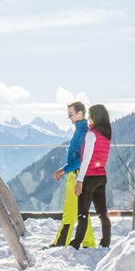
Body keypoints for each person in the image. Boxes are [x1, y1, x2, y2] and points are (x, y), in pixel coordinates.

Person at [51, 101, 96, 248]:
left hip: (77, 175)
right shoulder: (81, 130)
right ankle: (89, 243)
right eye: (68, 114)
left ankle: (61, 243)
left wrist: (64, 169)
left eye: (71, 114)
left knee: (69, 211)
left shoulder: (83, 132)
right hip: (76, 174)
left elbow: (83, 159)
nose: (69, 117)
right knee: (80, 211)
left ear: (80, 114)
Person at [71, 103, 113, 249]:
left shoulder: (91, 135)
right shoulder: (107, 134)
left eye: (90, 114)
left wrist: (79, 180)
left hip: (89, 178)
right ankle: (106, 242)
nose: (88, 117)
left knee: (83, 213)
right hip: (101, 177)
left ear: (95, 116)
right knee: (102, 212)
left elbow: (86, 159)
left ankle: (75, 244)